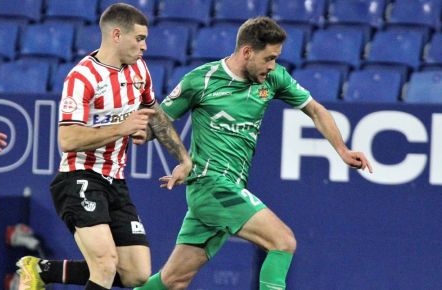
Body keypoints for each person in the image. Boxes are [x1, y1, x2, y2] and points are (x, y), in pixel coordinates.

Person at [135, 17, 373, 290]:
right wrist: (142, 131)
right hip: (210, 185)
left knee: (174, 281)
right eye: (269, 58)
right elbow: (160, 121)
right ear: (247, 51)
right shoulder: (201, 80)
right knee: (283, 241)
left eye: (276, 58)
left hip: (228, 189)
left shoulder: (273, 78)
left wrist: (342, 150)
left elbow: (316, 110)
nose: (273, 65)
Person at [17, 3, 192, 290]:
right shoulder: (82, 77)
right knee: (105, 264)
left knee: (135, 274)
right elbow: (67, 139)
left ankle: (41, 268)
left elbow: (156, 116)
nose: (145, 46)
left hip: (115, 181)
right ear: (116, 35)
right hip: (78, 177)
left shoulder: (139, 70)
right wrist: (122, 128)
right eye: (139, 38)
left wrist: (183, 159)